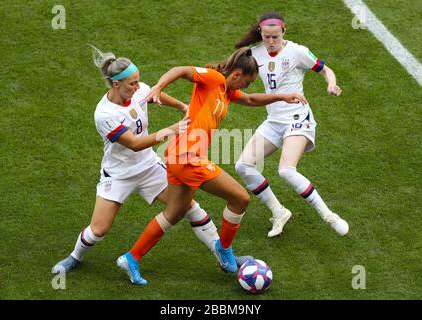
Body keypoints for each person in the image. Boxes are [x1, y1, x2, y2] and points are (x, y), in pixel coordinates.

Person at [116, 47, 308, 285]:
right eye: (246, 82)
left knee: (174, 213)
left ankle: (131, 258)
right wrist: (158, 87)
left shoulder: (227, 91)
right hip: (188, 158)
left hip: (178, 157)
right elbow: (181, 70)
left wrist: (282, 96)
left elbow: (249, 100)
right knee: (240, 198)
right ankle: (224, 250)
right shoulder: (214, 79)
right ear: (236, 74)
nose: (245, 88)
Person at [52, 46, 251, 275]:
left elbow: (151, 93)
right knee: (99, 229)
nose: (138, 88)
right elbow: (135, 144)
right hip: (119, 174)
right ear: (116, 84)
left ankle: (225, 256)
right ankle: (74, 257)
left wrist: (180, 105)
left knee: (187, 206)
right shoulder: (104, 114)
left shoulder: (137, 90)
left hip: (148, 166)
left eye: (138, 81)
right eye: (132, 84)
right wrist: (171, 130)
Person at [234, 12, 349, 238]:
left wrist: (331, 85)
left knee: (286, 170)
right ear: (261, 34)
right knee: (243, 166)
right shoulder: (255, 54)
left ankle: (329, 216)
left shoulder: (297, 51)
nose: (271, 41)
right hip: (274, 121)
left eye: (275, 36)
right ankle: (279, 212)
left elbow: (326, 69)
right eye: (266, 37)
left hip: (298, 118)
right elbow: (233, 72)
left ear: (284, 32)